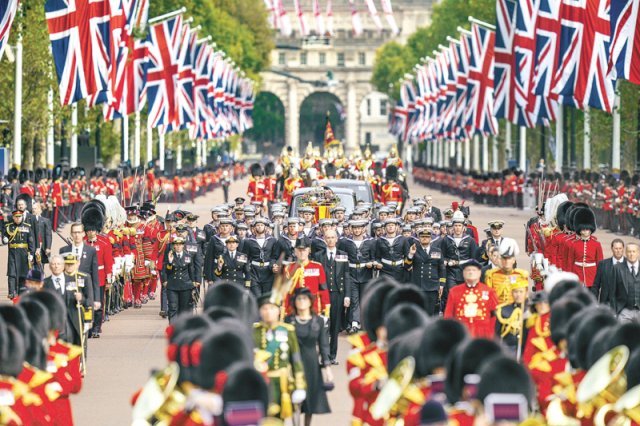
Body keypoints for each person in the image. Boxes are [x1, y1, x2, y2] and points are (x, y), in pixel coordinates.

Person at [253, 292, 307, 420]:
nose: (268, 312)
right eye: (264, 308)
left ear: (278, 311)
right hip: (260, 383)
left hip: (281, 384)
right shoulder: (254, 332)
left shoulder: (288, 331)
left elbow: (296, 360)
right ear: (260, 311)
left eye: (272, 308)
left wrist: (299, 386)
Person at [285, 288, 332, 425]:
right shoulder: (289, 320)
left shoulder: (318, 321)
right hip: (293, 363)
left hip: (312, 364)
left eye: (304, 299)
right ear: (294, 302)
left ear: (310, 301)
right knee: (295, 399)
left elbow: (323, 346)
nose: (301, 302)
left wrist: (328, 369)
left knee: (310, 400)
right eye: (298, 299)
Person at [313, 229, 352, 364]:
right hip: (322, 294)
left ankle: (332, 356)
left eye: (332, 237)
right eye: (327, 237)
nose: (330, 240)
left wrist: (347, 295)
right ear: (324, 239)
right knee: (323, 325)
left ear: (337, 239)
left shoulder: (343, 255)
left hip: (337, 294)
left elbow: (347, 276)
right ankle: (324, 355)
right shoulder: (318, 256)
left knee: (335, 326)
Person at [444, 259, 499, 338]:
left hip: (482, 335)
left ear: (480, 273)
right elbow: (448, 316)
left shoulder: (489, 292)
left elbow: (494, 316)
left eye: (474, 270)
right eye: (468, 270)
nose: (471, 272)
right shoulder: (454, 292)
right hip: (461, 334)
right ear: (463, 273)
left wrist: (490, 334)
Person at [60, 223, 100, 315]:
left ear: (83, 234)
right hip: (69, 292)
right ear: (71, 234)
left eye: (79, 232)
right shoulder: (64, 250)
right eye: (74, 232)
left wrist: (97, 299)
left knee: (86, 322)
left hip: (85, 291)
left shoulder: (91, 250)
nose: (77, 235)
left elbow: (95, 275)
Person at [405, 229, 446, 316]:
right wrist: (411, 254)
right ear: (419, 238)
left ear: (431, 238)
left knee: (430, 312)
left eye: (427, 237)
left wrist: (442, 284)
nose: (425, 238)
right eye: (422, 237)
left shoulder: (437, 251)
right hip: (418, 285)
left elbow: (442, 268)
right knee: (418, 313)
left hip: (432, 286)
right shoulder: (414, 249)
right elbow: (407, 266)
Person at [161, 236, 196, 323]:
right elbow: (166, 270)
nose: (178, 246)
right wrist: (170, 262)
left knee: (183, 309)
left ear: (183, 245)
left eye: (180, 245)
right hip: (173, 285)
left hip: (185, 285)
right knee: (173, 307)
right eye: (176, 245)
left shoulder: (188, 256)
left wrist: (193, 284)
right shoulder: (170, 255)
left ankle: (182, 328)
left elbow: (191, 271)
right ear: (174, 246)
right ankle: (172, 328)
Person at [484, 238, 529, 305]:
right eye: (504, 259)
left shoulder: (521, 275)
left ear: (513, 260)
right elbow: (487, 296)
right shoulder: (491, 275)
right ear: (501, 260)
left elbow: (525, 297)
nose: (507, 261)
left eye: (509, 259)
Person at [4, 210, 35, 299]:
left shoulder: (27, 227)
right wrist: (5, 239)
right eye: (16, 217)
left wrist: (31, 253)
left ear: (22, 217)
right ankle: (11, 292)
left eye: (19, 217)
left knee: (23, 273)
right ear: (13, 217)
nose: (18, 219)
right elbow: (5, 236)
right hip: (13, 252)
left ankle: (22, 291)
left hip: (23, 253)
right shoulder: (9, 227)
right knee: (12, 273)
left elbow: (31, 242)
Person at [494, 276, 529, 355]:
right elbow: (497, 334)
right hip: (509, 349)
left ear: (526, 293)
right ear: (512, 293)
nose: (518, 295)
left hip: (526, 350)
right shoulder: (503, 310)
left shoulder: (531, 310)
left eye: (521, 292)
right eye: (515, 292)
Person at [611, 242, 640, 322]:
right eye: (629, 251)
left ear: (638, 253)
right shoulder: (617, 268)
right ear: (625, 253)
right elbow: (612, 292)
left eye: (634, 251)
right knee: (623, 334)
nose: (631, 254)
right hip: (624, 311)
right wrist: (614, 311)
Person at [593, 238, 625, 305]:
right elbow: (596, 285)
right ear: (612, 249)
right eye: (616, 248)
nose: (618, 251)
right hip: (606, 303)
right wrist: (594, 302)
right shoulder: (603, 264)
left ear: (623, 249)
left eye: (620, 248)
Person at [32, 202, 52, 266]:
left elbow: (48, 235)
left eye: (35, 208)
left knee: (40, 266)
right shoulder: (28, 220)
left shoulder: (45, 221)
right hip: (31, 247)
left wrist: (48, 247)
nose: (33, 210)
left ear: (39, 209)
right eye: (32, 208)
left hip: (41, 247)